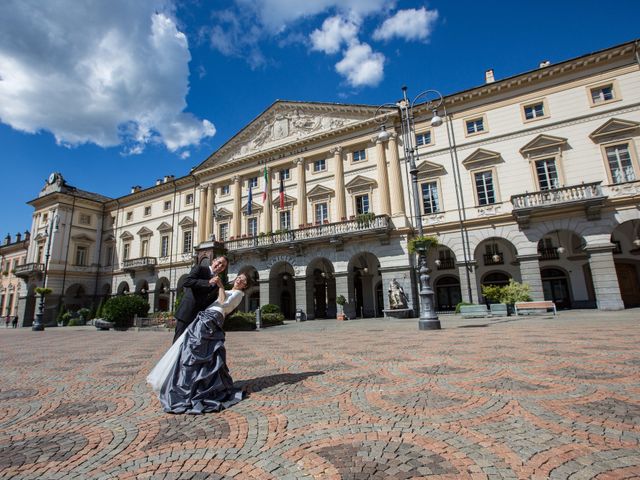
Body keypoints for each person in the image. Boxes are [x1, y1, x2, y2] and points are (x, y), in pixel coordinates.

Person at [147, 273, 249, 414]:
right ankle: (197, 383)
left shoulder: (238, 294)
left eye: (243, 280)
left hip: (212, 317)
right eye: (238, 277)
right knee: (197, 349)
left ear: (245, 285)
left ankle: (194, 385)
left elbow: (222, 302)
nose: (239, 280)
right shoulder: (232, 291)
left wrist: (220, 286)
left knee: (197, 349)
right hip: (208, 315)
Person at [173, 256, 228, 343]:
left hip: (199, 318)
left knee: (190, 345)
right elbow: (187, 282)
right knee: (178, 342)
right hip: (187, 313)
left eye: (223, 266)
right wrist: (208, 282)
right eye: (219, 262)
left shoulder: (218, 281)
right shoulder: (200, 268)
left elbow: (211, 300)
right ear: (214, 261)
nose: (220, 266)